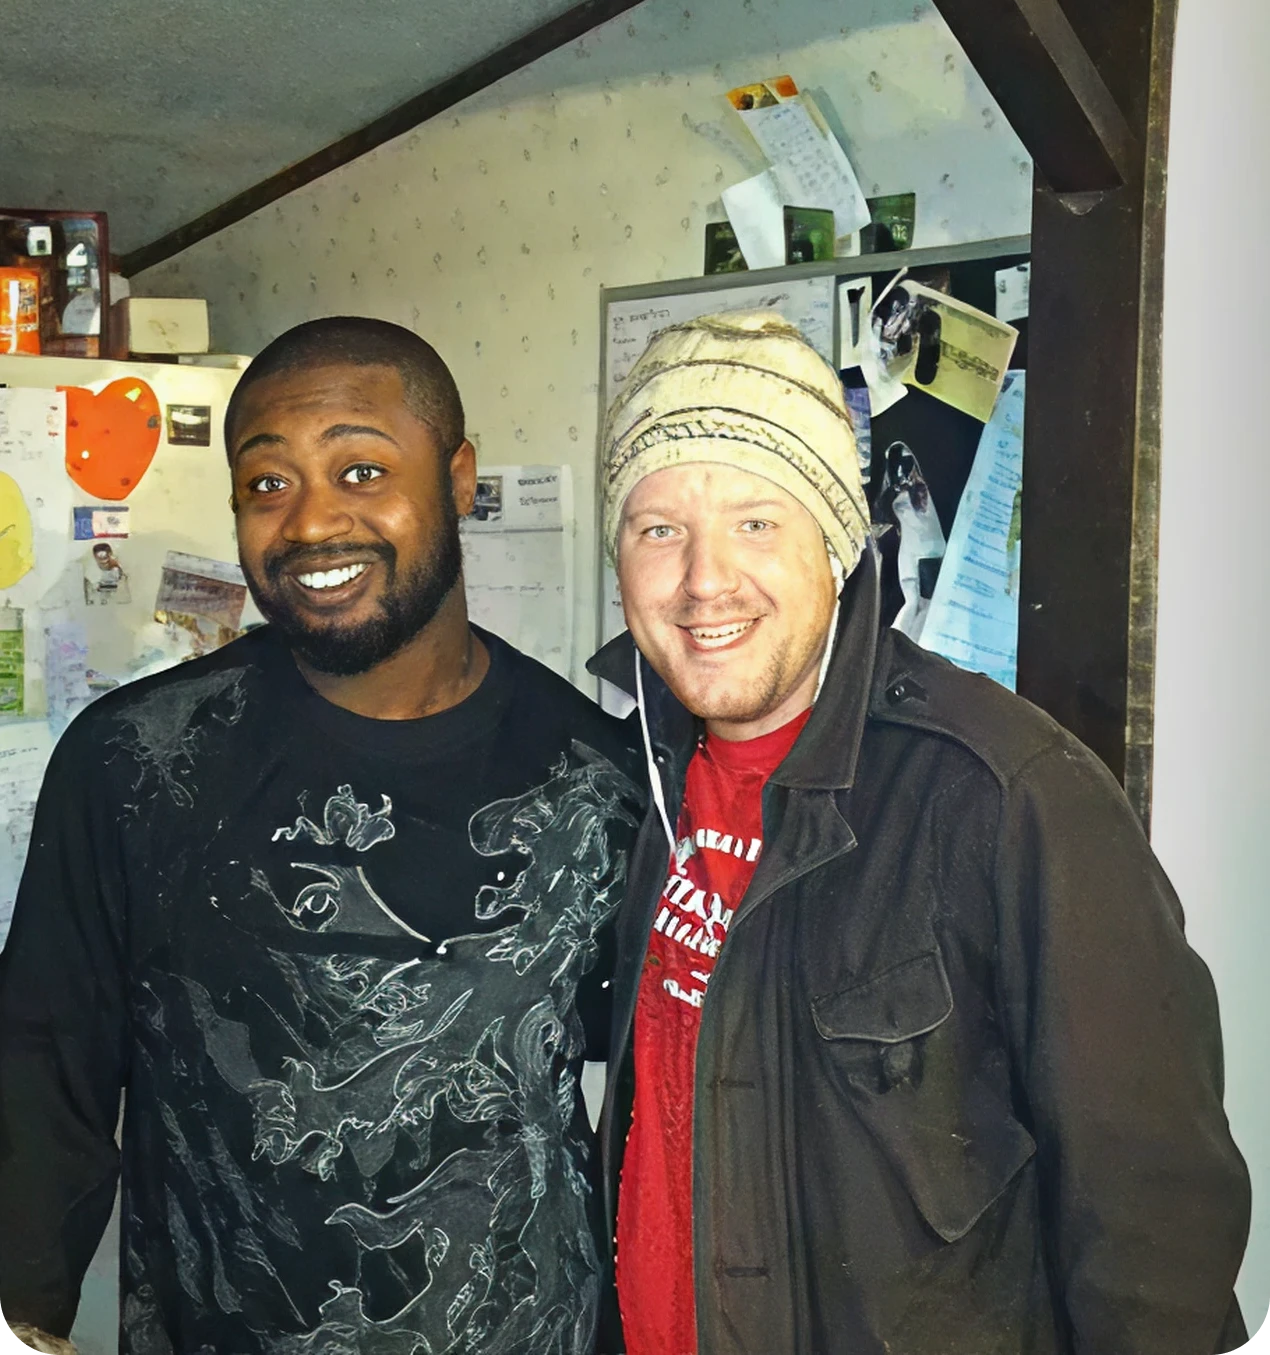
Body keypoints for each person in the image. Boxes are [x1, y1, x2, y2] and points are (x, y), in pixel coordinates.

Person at [590, 309, 1250, 1355]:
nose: (703, 578)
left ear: (838, 542)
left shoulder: (1004, 791)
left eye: (757, 521)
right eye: (657, 527)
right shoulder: (636, 785)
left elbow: (1152, 1222)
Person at [0, 317, 642, 1355]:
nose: (308, 524)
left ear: (458, 476)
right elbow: (39, 1073)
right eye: (268, 484)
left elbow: (669, 1086)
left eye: (360, 469)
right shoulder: (137, 764)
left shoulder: (598, 780)